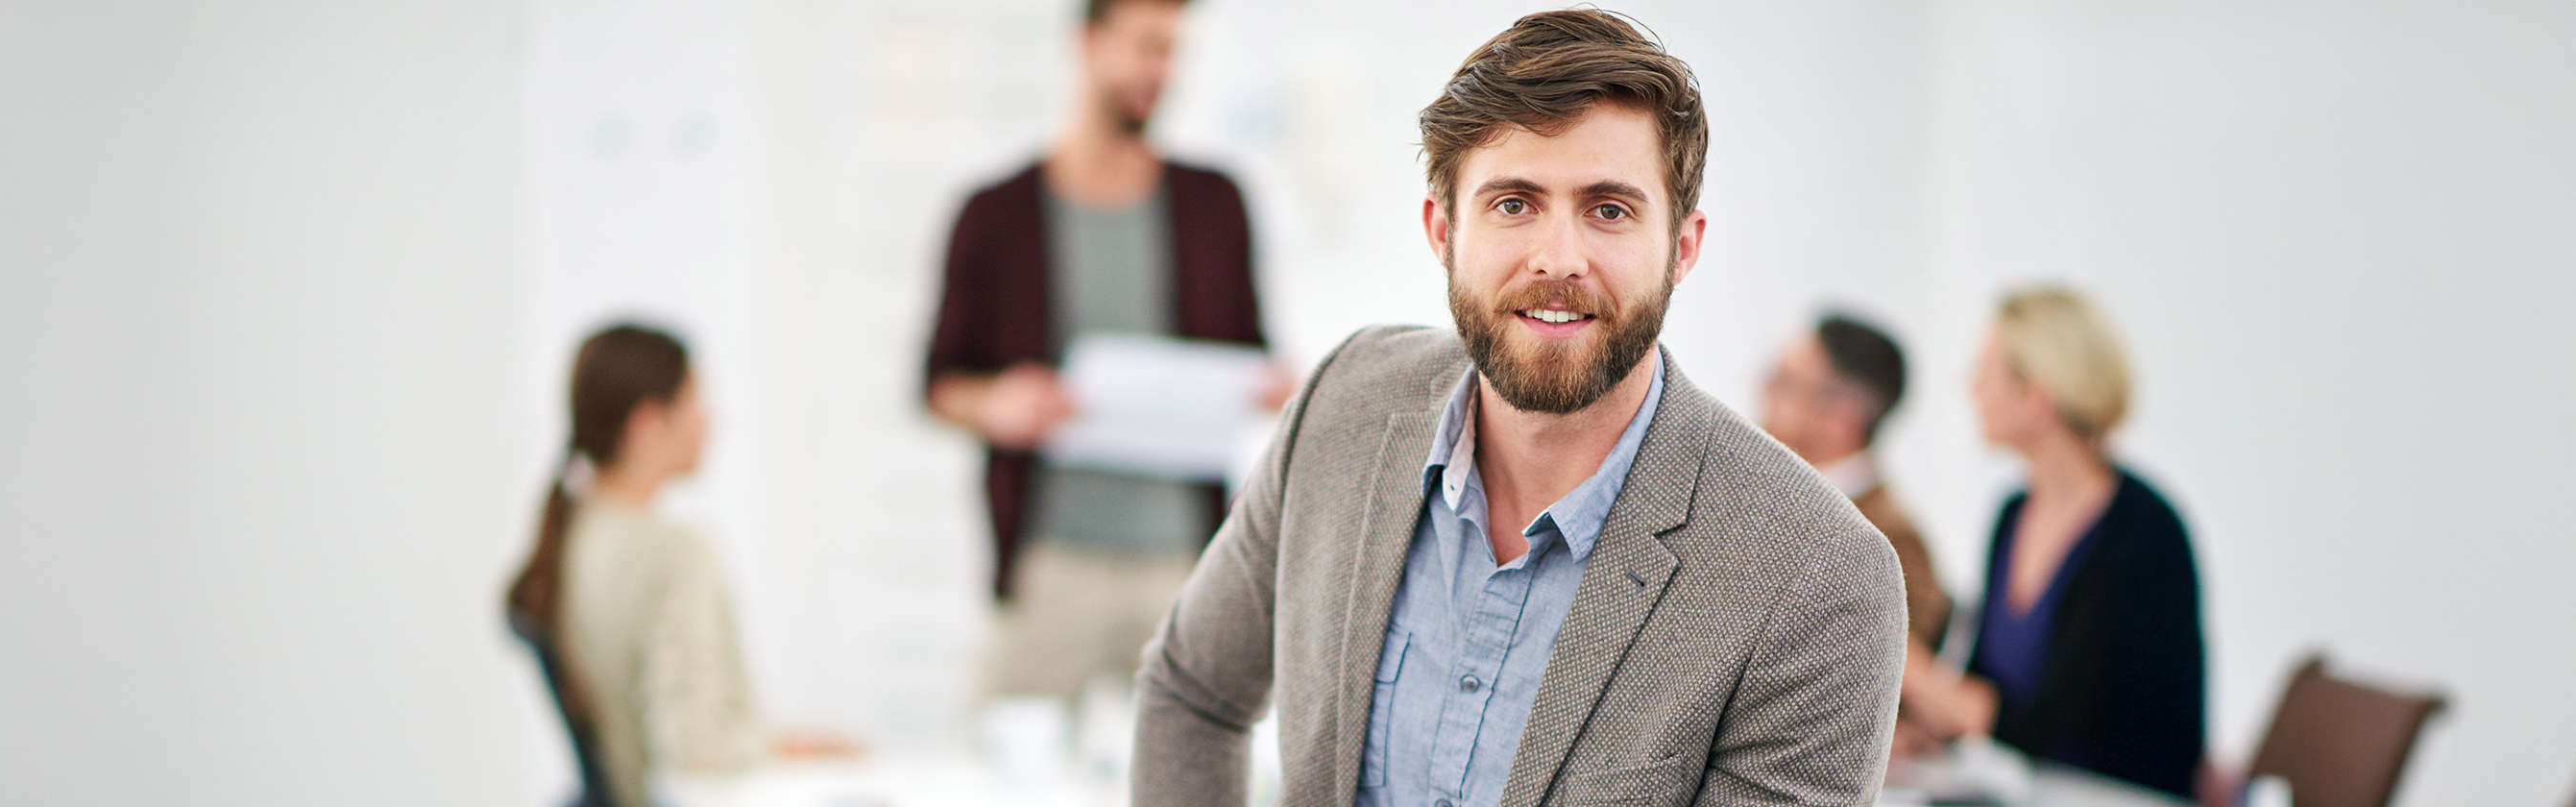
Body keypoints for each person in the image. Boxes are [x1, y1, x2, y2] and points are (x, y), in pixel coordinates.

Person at [1130, 11, 1908, 807]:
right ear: (1443, 229)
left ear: (1682, 246)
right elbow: (1191, 691)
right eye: (1513, 203)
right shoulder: (1345, 404)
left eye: (1609, 209)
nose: (1557, 259)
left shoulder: (1819, 575)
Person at [918, 0, 1274, 701]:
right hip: (1050, 559)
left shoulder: (1215, 204)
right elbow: (937, 382)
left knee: (1195, 767)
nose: (1160, 71)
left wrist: (1269, 386)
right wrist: (996, 403)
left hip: (1185, 561)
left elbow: (1254, 354)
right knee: (1009, 759)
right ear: (1088, 44)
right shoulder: (994, 213)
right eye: (1145, 47)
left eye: (1172, 51)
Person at [1892, 285, 2206, 798]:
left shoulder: (2142, 535)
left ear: (2035, 398)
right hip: (2036, 790)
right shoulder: (2013, 514)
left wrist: (1914, 671)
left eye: (1985, 372)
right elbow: (1987, 682)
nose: (1971, 389)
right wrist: (1931, 732)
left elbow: (2050, 725)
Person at [505, 325, 838, 807]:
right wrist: (793, 749)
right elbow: (694, 748)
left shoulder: (571, 538)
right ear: (648, 422)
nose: (710, 422)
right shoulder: (673, 554)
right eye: (694, 403)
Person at [1758, 313, 1957, 658]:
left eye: (1784, 382)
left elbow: (1885, 692)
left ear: (1841, 419)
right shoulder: (1758, 494)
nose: (1763, 390)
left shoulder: (1894, 543)